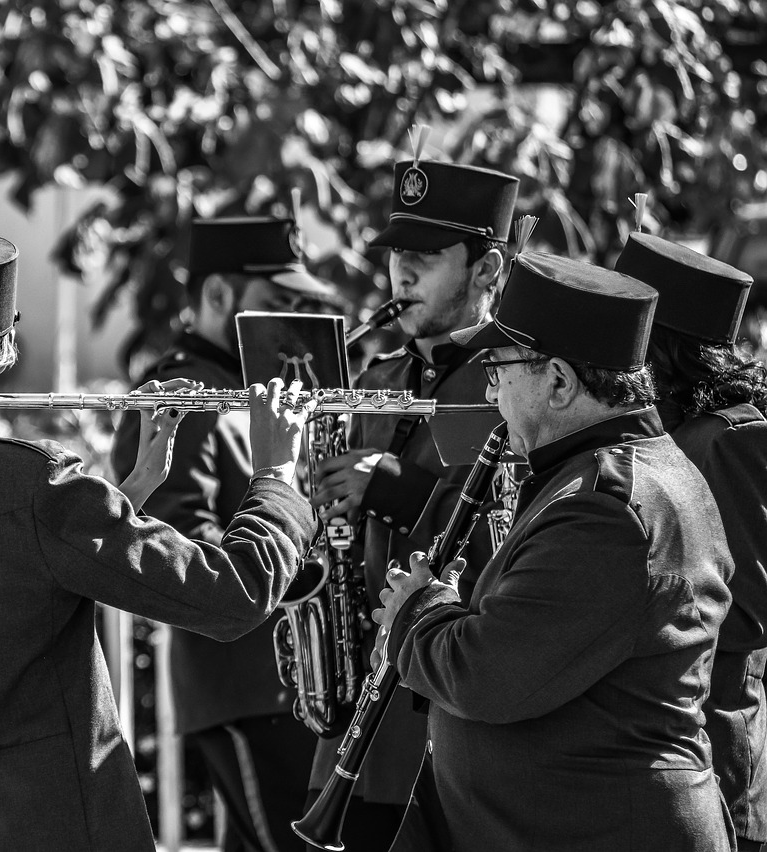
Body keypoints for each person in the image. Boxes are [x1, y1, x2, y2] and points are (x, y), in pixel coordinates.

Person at [0, 227, 316, 852]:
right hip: (41, 820)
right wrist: (276, 474)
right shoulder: (37, 484)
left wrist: (129, 491)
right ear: (4, 351)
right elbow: (230, 595)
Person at [373, 251, 735, 850]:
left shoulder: (608, 510)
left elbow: (488, 676)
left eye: (497, 369)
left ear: (561, 381)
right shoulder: (605, 478)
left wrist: (419, 611)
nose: (491, 392)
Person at [305, 155, 520, 844]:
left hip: (448, 711)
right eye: (398, 251)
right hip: (362, 702)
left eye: (427, 254)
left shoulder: (516, 381)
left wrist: (395, 489)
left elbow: (519, 536)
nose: (402, 270)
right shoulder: (378, 375)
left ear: (488, 270)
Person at [108, 216, 339, 852]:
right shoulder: (187, 393)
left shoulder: (251, 393)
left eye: (301, 307)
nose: (292, 323)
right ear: (217, 297)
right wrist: (309, 560)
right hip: (243, 682)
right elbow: (181, 548)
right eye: (276, 304)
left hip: (280, 684)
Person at [615, 234, 767, 852]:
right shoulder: (674, 432)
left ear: (662, 348)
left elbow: (746, 614)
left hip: (714, 755)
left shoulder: (727, 438)